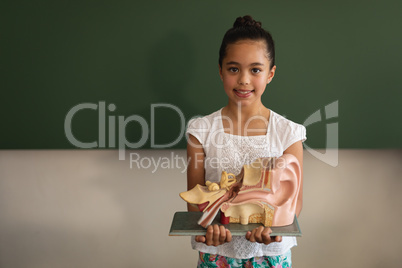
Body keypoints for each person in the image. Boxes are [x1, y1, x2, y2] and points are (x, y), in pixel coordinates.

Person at [186, 15, 306, 267]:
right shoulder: (201, 130)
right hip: (217, 254)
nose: (243, 80)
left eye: (255, 70)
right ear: (220, 70)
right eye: (233, 69)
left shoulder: (289, 133)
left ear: (270, 73)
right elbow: (195, 206)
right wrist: (209, 227)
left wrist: (273, 227)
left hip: (270, 255)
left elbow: (294, 203)